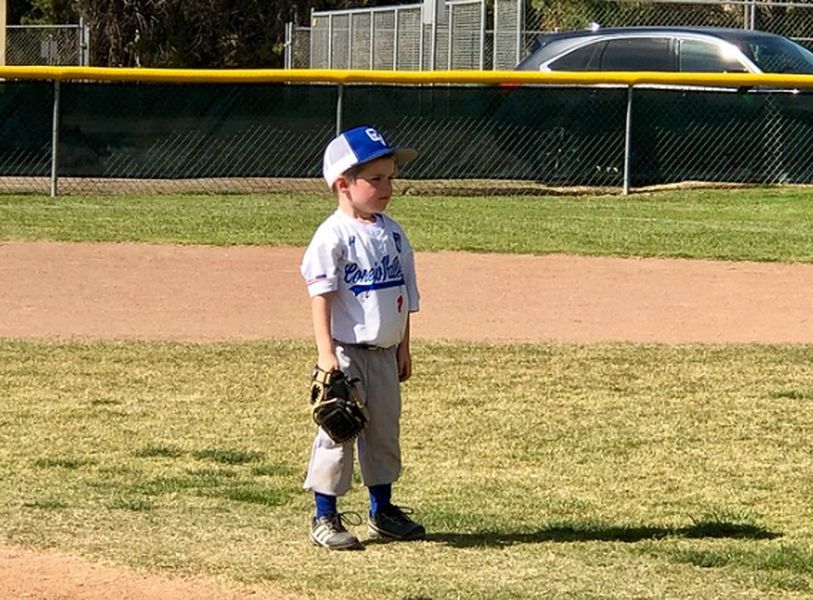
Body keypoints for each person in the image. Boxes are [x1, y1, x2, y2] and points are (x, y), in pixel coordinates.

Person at [300, 125, 425, 551]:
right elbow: (320, 297)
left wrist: (404, 348)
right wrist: (326, 356)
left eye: (390, 177)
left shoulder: (393, 233)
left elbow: (404, 295)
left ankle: (383, 511)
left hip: (386, 353)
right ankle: (325, 516)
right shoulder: (332, 235)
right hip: (347, 353)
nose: (387, 187)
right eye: (375, 179)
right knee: (339, 433)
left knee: (384, 434)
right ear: (343, 184)